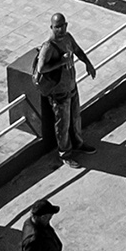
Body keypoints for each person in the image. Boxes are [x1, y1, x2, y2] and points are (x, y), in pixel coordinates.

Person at [35, 14, 97, 162]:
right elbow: (41, 68)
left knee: (75, 118)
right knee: (62, 125)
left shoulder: (68, 37)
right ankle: (65, 154)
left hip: (71, 86)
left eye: (63, 26)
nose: (61, 29)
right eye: (57, 27)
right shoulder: (48, 46)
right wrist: (61, 62)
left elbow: (77, 50)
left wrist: (87, 63)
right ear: (52, 27)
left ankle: (78, 144)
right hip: (59, 92)